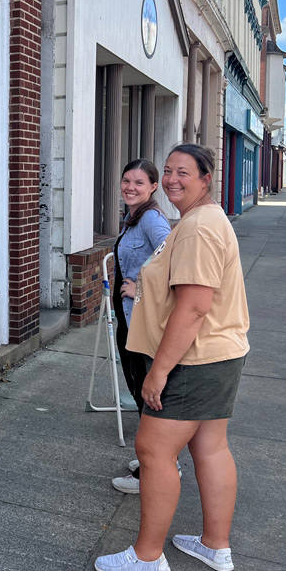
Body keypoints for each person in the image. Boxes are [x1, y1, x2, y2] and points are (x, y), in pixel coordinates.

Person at [96, 144, 249, 571]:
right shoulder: (203, 220)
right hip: (220, 353)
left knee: (153, 450)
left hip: (194, 359)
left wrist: (158, 372)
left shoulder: (199, 228)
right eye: (167, 171)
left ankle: (147, 557)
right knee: (209, 446)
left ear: (206, 178)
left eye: (184, 172)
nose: (172, 179)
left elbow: (194, 306)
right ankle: (215, 545)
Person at [109, 159, 172, 495]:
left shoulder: (151, 219)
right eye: (126, 181)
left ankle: (158, 467)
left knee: (147, 393)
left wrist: (140, 287)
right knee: (138, 388)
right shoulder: (133, 217)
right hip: (130, 320)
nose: (130, 187)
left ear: (152, 187)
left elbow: (172, 256)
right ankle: (154, 460)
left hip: (142, 322)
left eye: (138, 182)